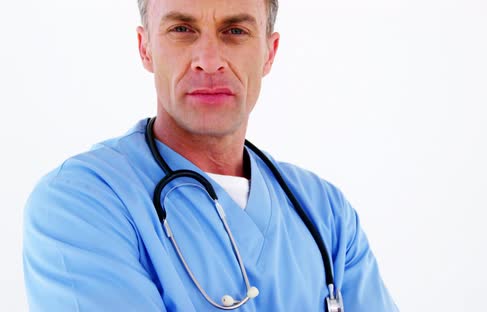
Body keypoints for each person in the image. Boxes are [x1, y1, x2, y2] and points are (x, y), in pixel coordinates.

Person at [23, 0, 399, 311]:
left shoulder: (325, 213)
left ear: (269, 53)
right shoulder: (81, 203)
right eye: (182, 30)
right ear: (146, 48)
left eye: (235, 31)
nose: (209, 60)